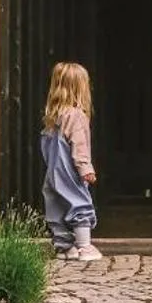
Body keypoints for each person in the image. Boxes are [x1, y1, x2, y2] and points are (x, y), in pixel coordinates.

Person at [40, 60, 102, 261]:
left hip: (53, 172)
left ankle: (65, 247)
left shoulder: (53, 117)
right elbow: (79, 145)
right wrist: (85, 168)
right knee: (79, 202)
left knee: (55, 206)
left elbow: (46, 148)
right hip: (69, 170)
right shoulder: (76, 116)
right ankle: (84, 246)